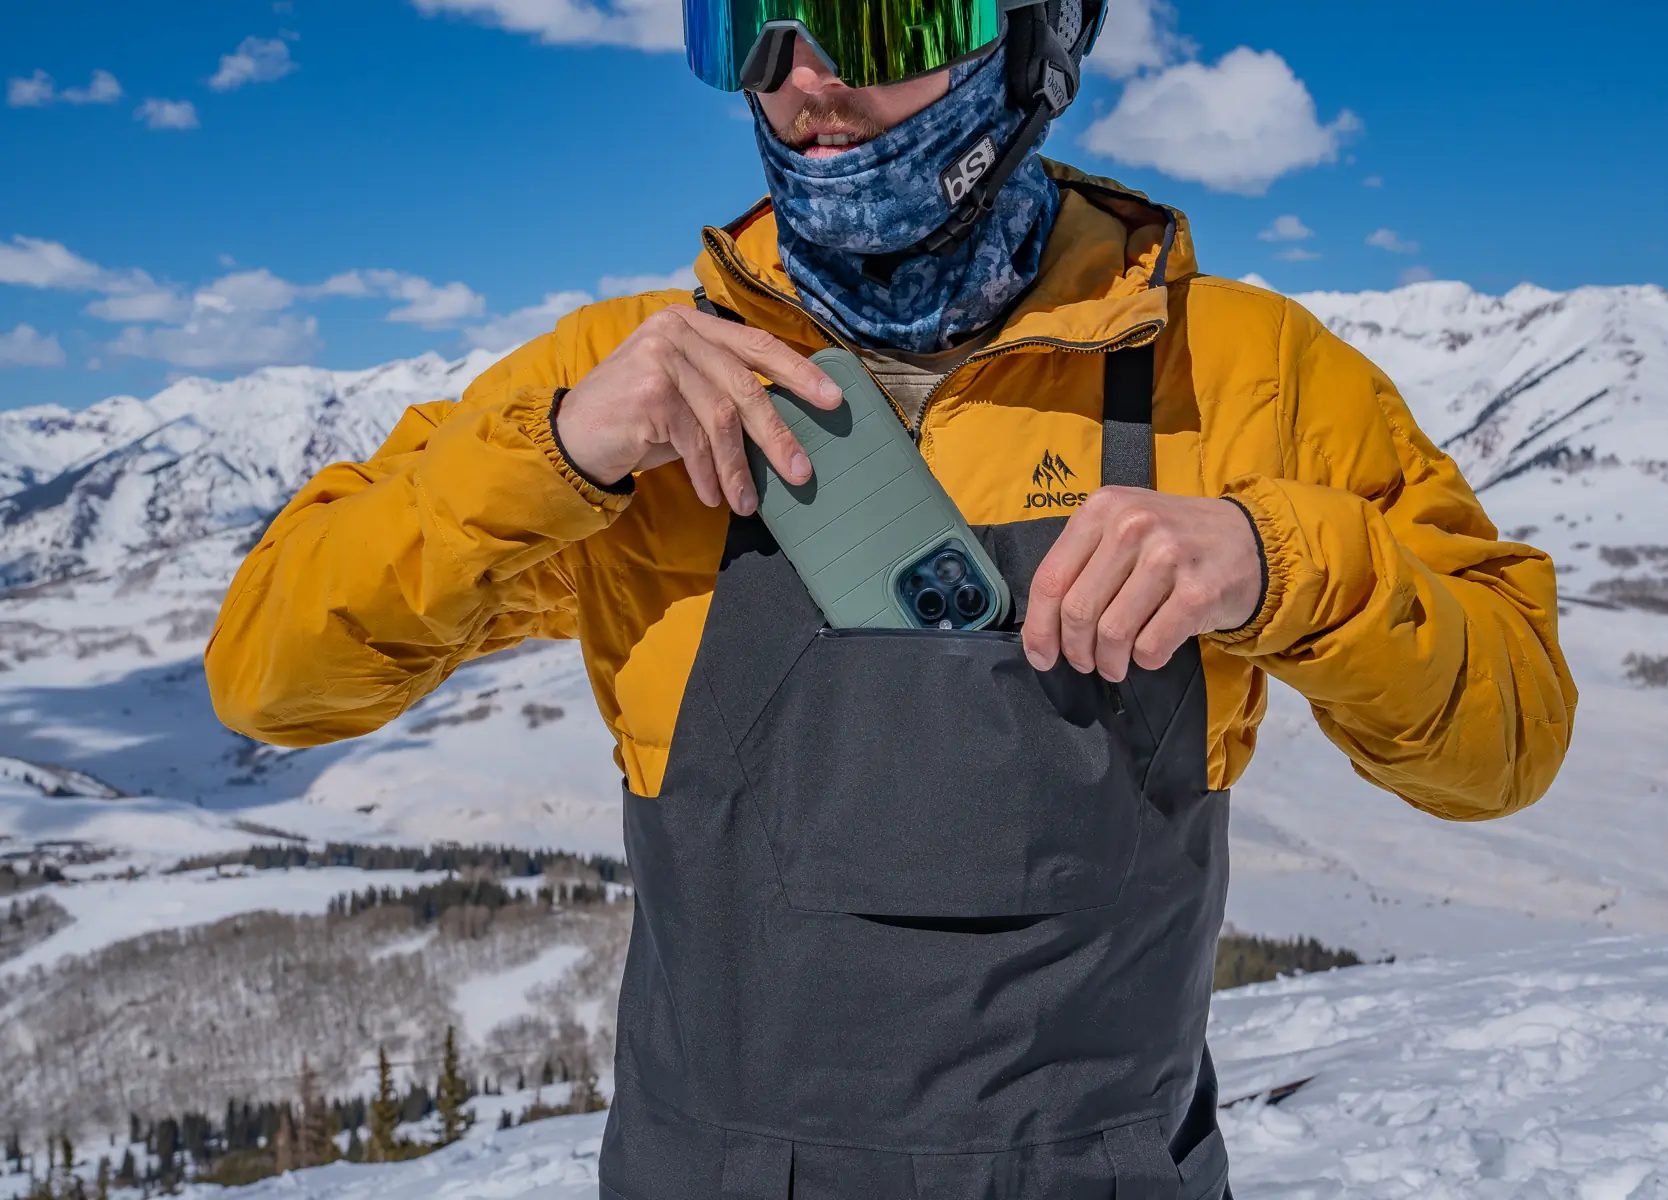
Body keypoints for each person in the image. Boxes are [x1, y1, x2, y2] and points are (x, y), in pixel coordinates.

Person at [205, 1, 1578, 1195]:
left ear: (1035, 31)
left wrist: (1281, 561)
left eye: (876, 21)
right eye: (748, 25)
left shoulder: (1240, 376)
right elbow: (271, 675)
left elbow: (1507, 745)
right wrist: (558, 454)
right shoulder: (632, 376)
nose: (805, 83)